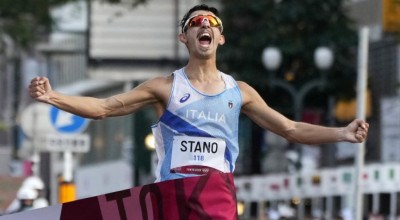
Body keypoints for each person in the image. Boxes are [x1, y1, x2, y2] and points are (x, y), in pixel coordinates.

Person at [29, 3, 368, 218]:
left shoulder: (241, 92)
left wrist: (342, 133)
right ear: (185, 37)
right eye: (196, 22)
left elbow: (290, 129)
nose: (204, 24)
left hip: (217, 197)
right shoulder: (164, 87)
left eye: (211, 21)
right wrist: (54, 97)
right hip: (172, 197)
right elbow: (103, 107)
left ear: (220, 38)